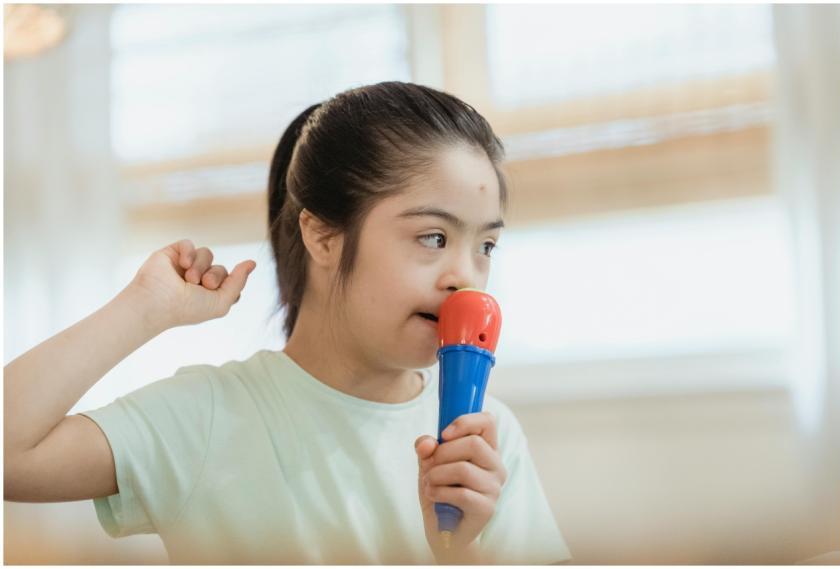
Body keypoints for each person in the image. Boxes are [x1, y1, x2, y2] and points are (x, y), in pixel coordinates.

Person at [5, 81, 571, 565]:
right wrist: (142, 310)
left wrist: (459, 553)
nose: (466, 278)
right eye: (433, 237)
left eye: (487, 245)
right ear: (323, 235)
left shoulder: (489, 440)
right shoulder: (206, 417)